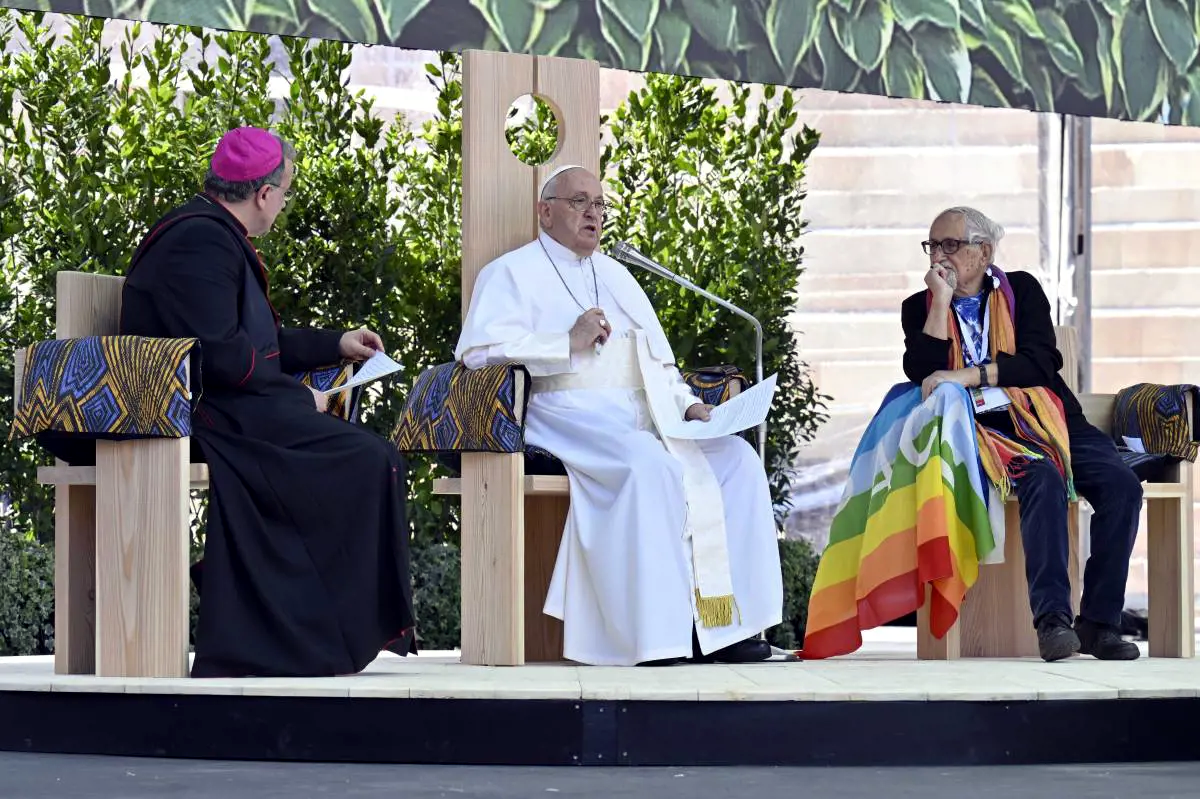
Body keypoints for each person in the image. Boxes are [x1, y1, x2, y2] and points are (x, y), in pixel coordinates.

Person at [454, 164, 783, 667]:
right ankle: (655, 638)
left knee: (736, 459)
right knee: (647, 466)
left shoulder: (616, 275)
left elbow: (655, 362)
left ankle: (729, 630)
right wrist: (565, 342)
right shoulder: (509, 272)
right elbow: (478, 354)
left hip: (643, 412)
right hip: (563, 410)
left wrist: (688, 405)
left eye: (600, 204)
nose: (593, 213)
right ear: (545, 211)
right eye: (579, 202)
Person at [118, 126, 417, 677]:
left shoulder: (214, 234)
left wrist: (335, 345)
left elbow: (253, 344)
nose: (282, 204)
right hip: (207, 415)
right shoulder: (199, 240)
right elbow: (218, 355)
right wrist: (301, 395)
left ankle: (309, 626)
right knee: (367, 459)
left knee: (365, 456)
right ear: (264, 194)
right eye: (285, 193)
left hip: (232, 406)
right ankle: (300, 632)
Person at [806, 205, 1141, 663]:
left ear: (983, 252)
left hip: (1050, 419)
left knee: (1122, 486)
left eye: (951, 245)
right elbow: (923, 375)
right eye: (932, 245)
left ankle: (1101, 623)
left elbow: (1040, 364)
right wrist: (941, 303)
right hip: (974, 430)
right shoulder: (918, 307)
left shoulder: (1021, 290)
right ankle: (1053, 622)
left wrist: (968, 376)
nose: (938, 256)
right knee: (1039, 478)